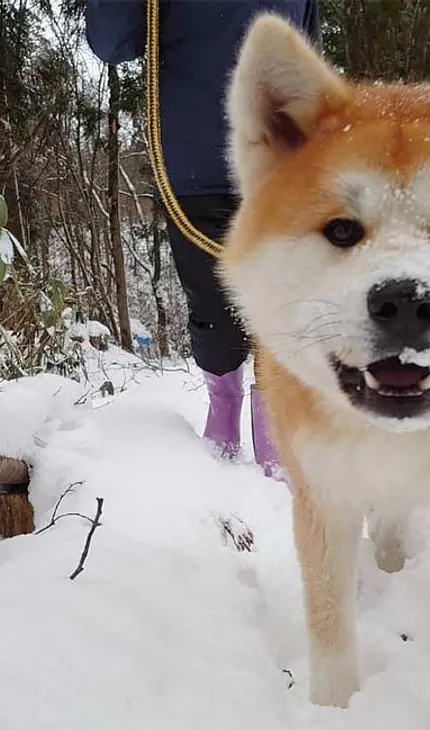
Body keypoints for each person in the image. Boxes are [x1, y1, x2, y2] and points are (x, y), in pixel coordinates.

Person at [84, 0, 320, 474]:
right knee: (212, 308)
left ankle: (276, 425)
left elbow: (309, 52)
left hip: (282, 166)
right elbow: (113, 44)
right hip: (196, 167)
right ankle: (224, 405)